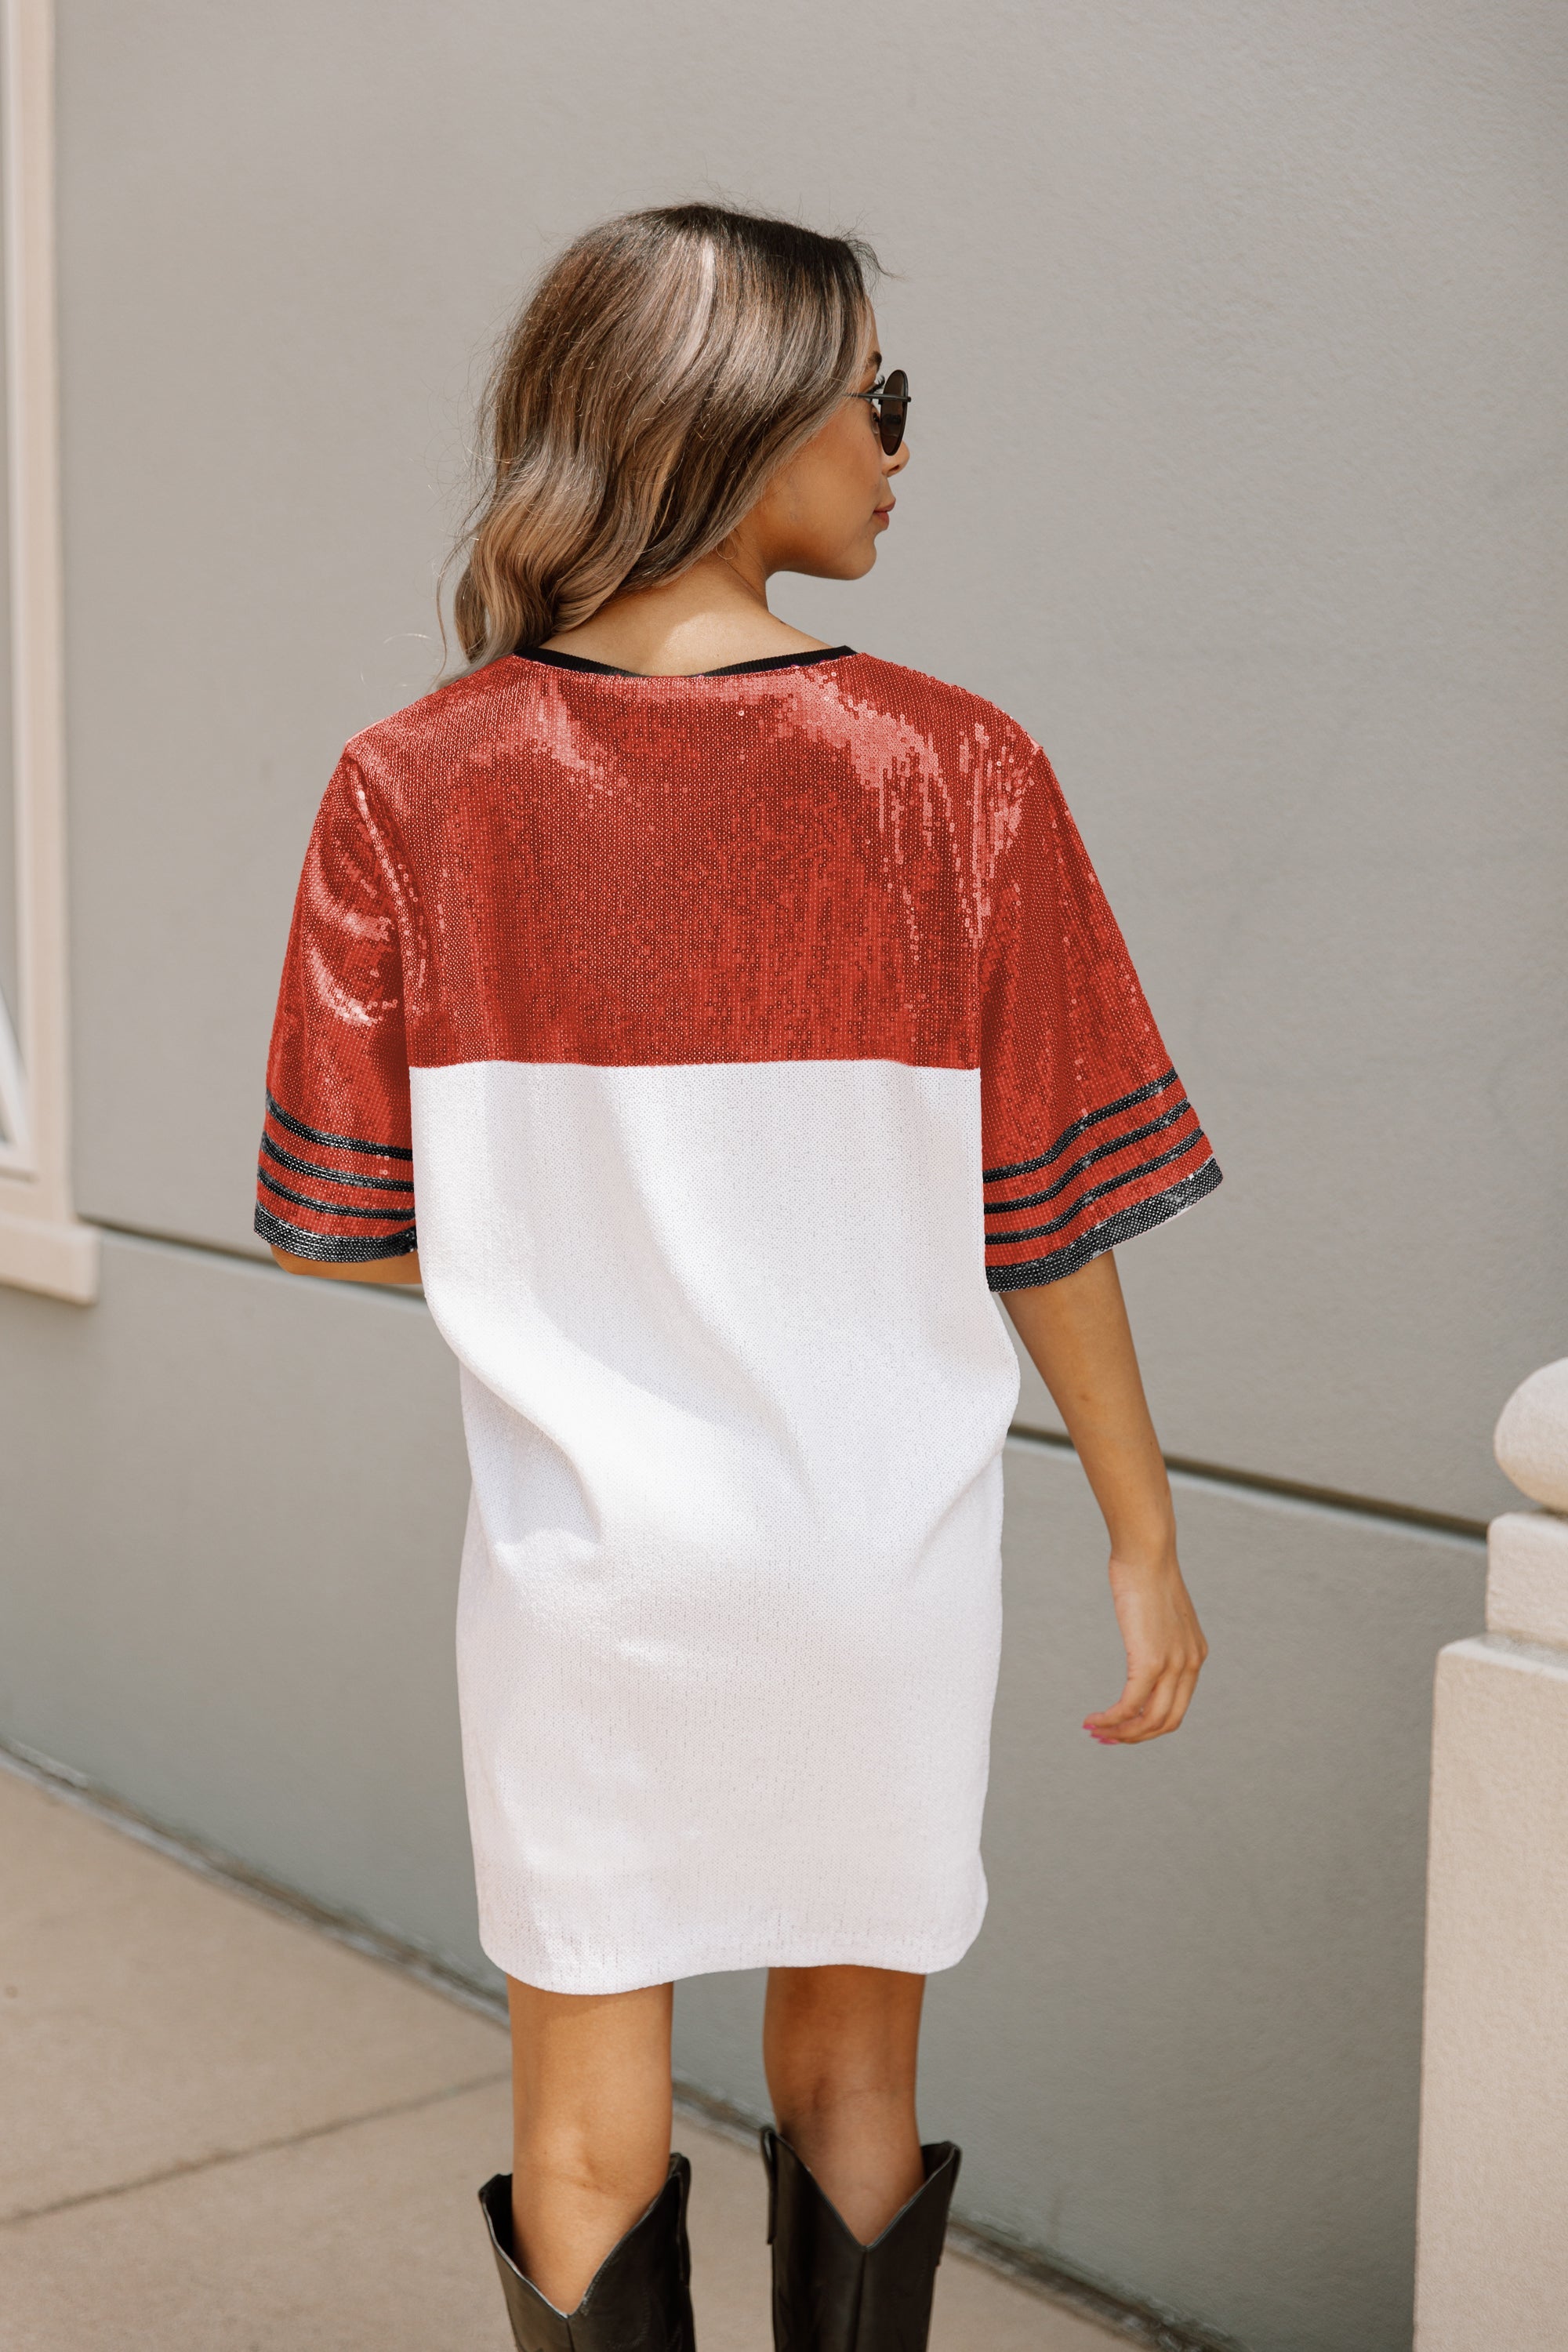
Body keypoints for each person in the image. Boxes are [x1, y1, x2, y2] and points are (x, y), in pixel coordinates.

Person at [257, 201, 1218, 2352]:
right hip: (878, 1551)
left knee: (582, 2121)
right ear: (738, 416)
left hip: (585, 1575)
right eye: (877, 397)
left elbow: (348, 1209)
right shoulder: (956, 772)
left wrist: (577, 1267)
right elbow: (1046, 1203)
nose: (900, 446)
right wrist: (1143, 1530)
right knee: (857, 2081)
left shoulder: (411, 786)